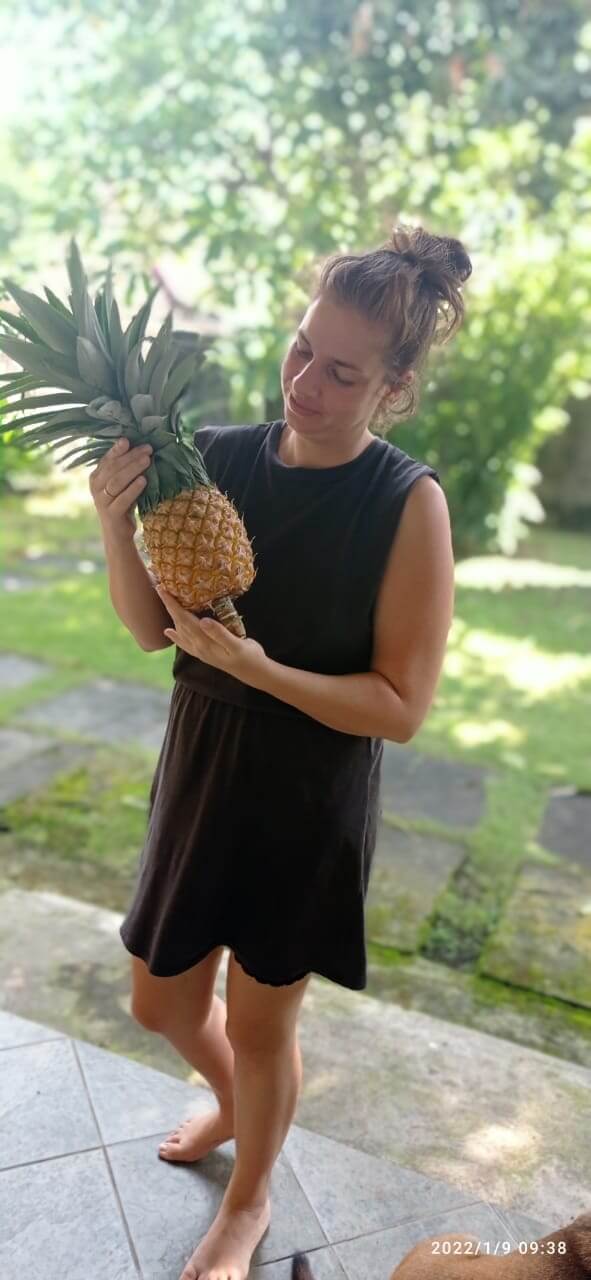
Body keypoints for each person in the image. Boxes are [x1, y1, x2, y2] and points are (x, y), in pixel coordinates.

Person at [89, 222, 470, 1280]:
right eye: (303, 348)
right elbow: (149, 630)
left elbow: (400, 706)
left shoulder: (406, 504)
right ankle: (237, 1106)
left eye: (342, 371)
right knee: (160, 1000)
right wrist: (113, 523)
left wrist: (259, 669)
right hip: (201, 765)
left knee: (263, 1028)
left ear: (394, 385)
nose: (305, 382)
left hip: (308, 793)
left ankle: (250, 1197)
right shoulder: (212, 458)